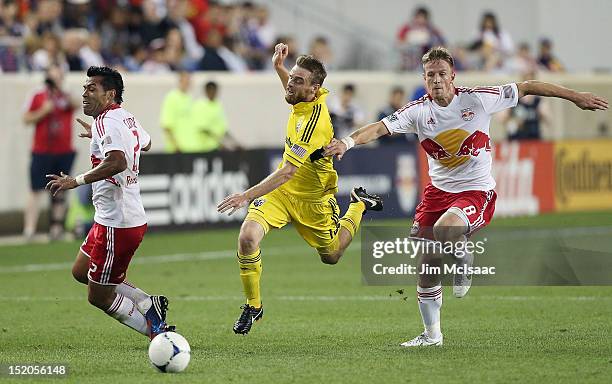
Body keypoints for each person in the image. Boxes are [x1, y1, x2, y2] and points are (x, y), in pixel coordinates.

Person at [324, 46, 608, 347]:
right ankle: (432, 335)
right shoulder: (418, 111)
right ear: (424, 77)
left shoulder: (477, 99)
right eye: (430, 74)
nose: (436, 79)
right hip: (437, 193)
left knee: (447, 229)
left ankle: (463, 256)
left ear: (452, 76)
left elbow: (527, 87)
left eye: (441, 74)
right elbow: (380, 128)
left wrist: (576, 97)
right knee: (427, 265)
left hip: (476, 191)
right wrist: (347, 142)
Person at [217, 44, 384, 335]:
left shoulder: (313, 123)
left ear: (314, 88)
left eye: (298, 80)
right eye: (292, 77)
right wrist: (279, 68)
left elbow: (286, 172)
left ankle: (357, 203)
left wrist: (246, 195)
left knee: (331, 255)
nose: (291, 84)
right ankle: (253, 306)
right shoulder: (304, 97)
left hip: (312, 200)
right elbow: (293, 93)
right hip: (281, 196)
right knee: (247, 238)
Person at [46, 66, 175, 340]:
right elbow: (147, 143)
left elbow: (118, 161)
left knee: (98, 296)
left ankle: (155, 331)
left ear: (110, 94)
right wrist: (99, 134)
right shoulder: (124, 118)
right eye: (84, 88)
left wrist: (76, 181)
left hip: (118, 223)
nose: (84, 93)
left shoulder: (108, 122)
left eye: (91, 88)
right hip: (109, 218)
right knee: (81, 271)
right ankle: (145, 301)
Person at [22, 63, 77, 241]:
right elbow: (26, 118)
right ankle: (29, 229)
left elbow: (77, 104)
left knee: (60, 188)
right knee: (35, 189)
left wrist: (61, 93)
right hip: (42, 150)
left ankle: (56, 228)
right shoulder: (38, 95)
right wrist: (42, 111)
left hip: (63, 150)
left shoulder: (65, 95)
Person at [192, 80, 240, 151]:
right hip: (202, 148)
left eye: (215, 91)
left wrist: (235, 143)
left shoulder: (218, 105)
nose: (213, 93)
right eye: (211, 91)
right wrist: (220, 142)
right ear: (206, 91)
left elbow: (223, 130)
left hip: (216, 148)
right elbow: (203, 129)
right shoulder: (199, 105)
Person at [396, 6, 445, 71]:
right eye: (418, 18)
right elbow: (398, 42)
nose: (420, 20)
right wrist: (409, 40)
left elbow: (442, 43)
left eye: (422, 18)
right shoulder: (407, 28)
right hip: (409, 60)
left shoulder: (431, 30)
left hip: (426, 61)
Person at [160, 70, 194, 153]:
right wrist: (176, 146)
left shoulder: (189, 98)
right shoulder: (172, 97)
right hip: (176, 150)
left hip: (189, 148)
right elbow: (166, 125)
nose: (187, 83)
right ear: (180, 81)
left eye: (189, 80)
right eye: (185, 80)